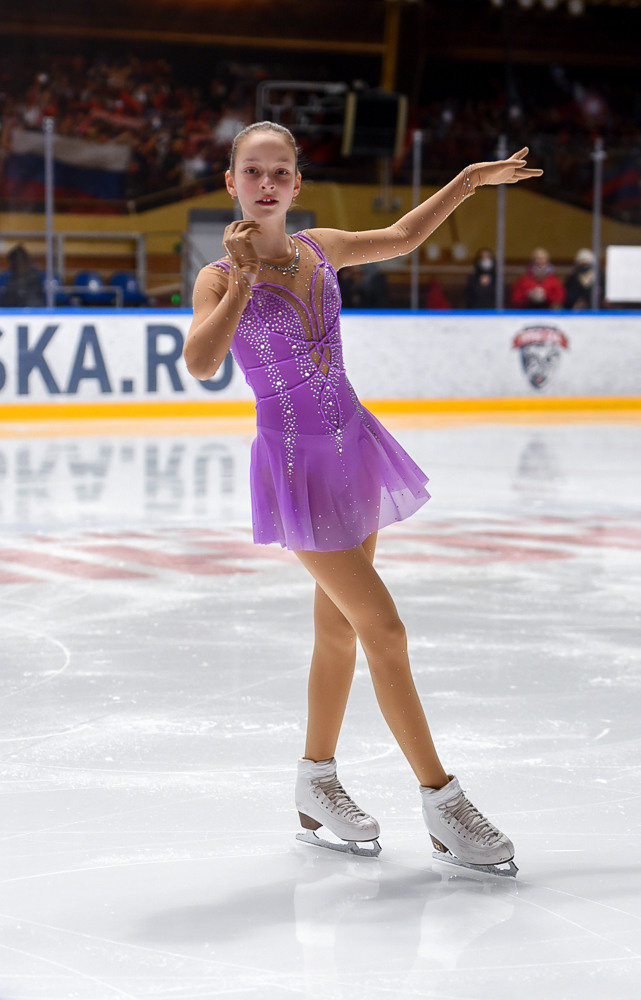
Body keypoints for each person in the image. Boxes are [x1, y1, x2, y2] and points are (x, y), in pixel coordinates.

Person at [183, 122, 542, 876]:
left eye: (281, 170)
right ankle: (443, 801)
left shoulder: (321, 248)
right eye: (253, 171)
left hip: (354, 447)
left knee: (340, 633)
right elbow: (203, 363)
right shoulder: (216, 278)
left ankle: (315, 784)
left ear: (298, 182)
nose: (267, 183)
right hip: (296, 468)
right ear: (231, 182)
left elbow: (404, 236)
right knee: (385, 629)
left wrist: (469, 179)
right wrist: (242, 279)